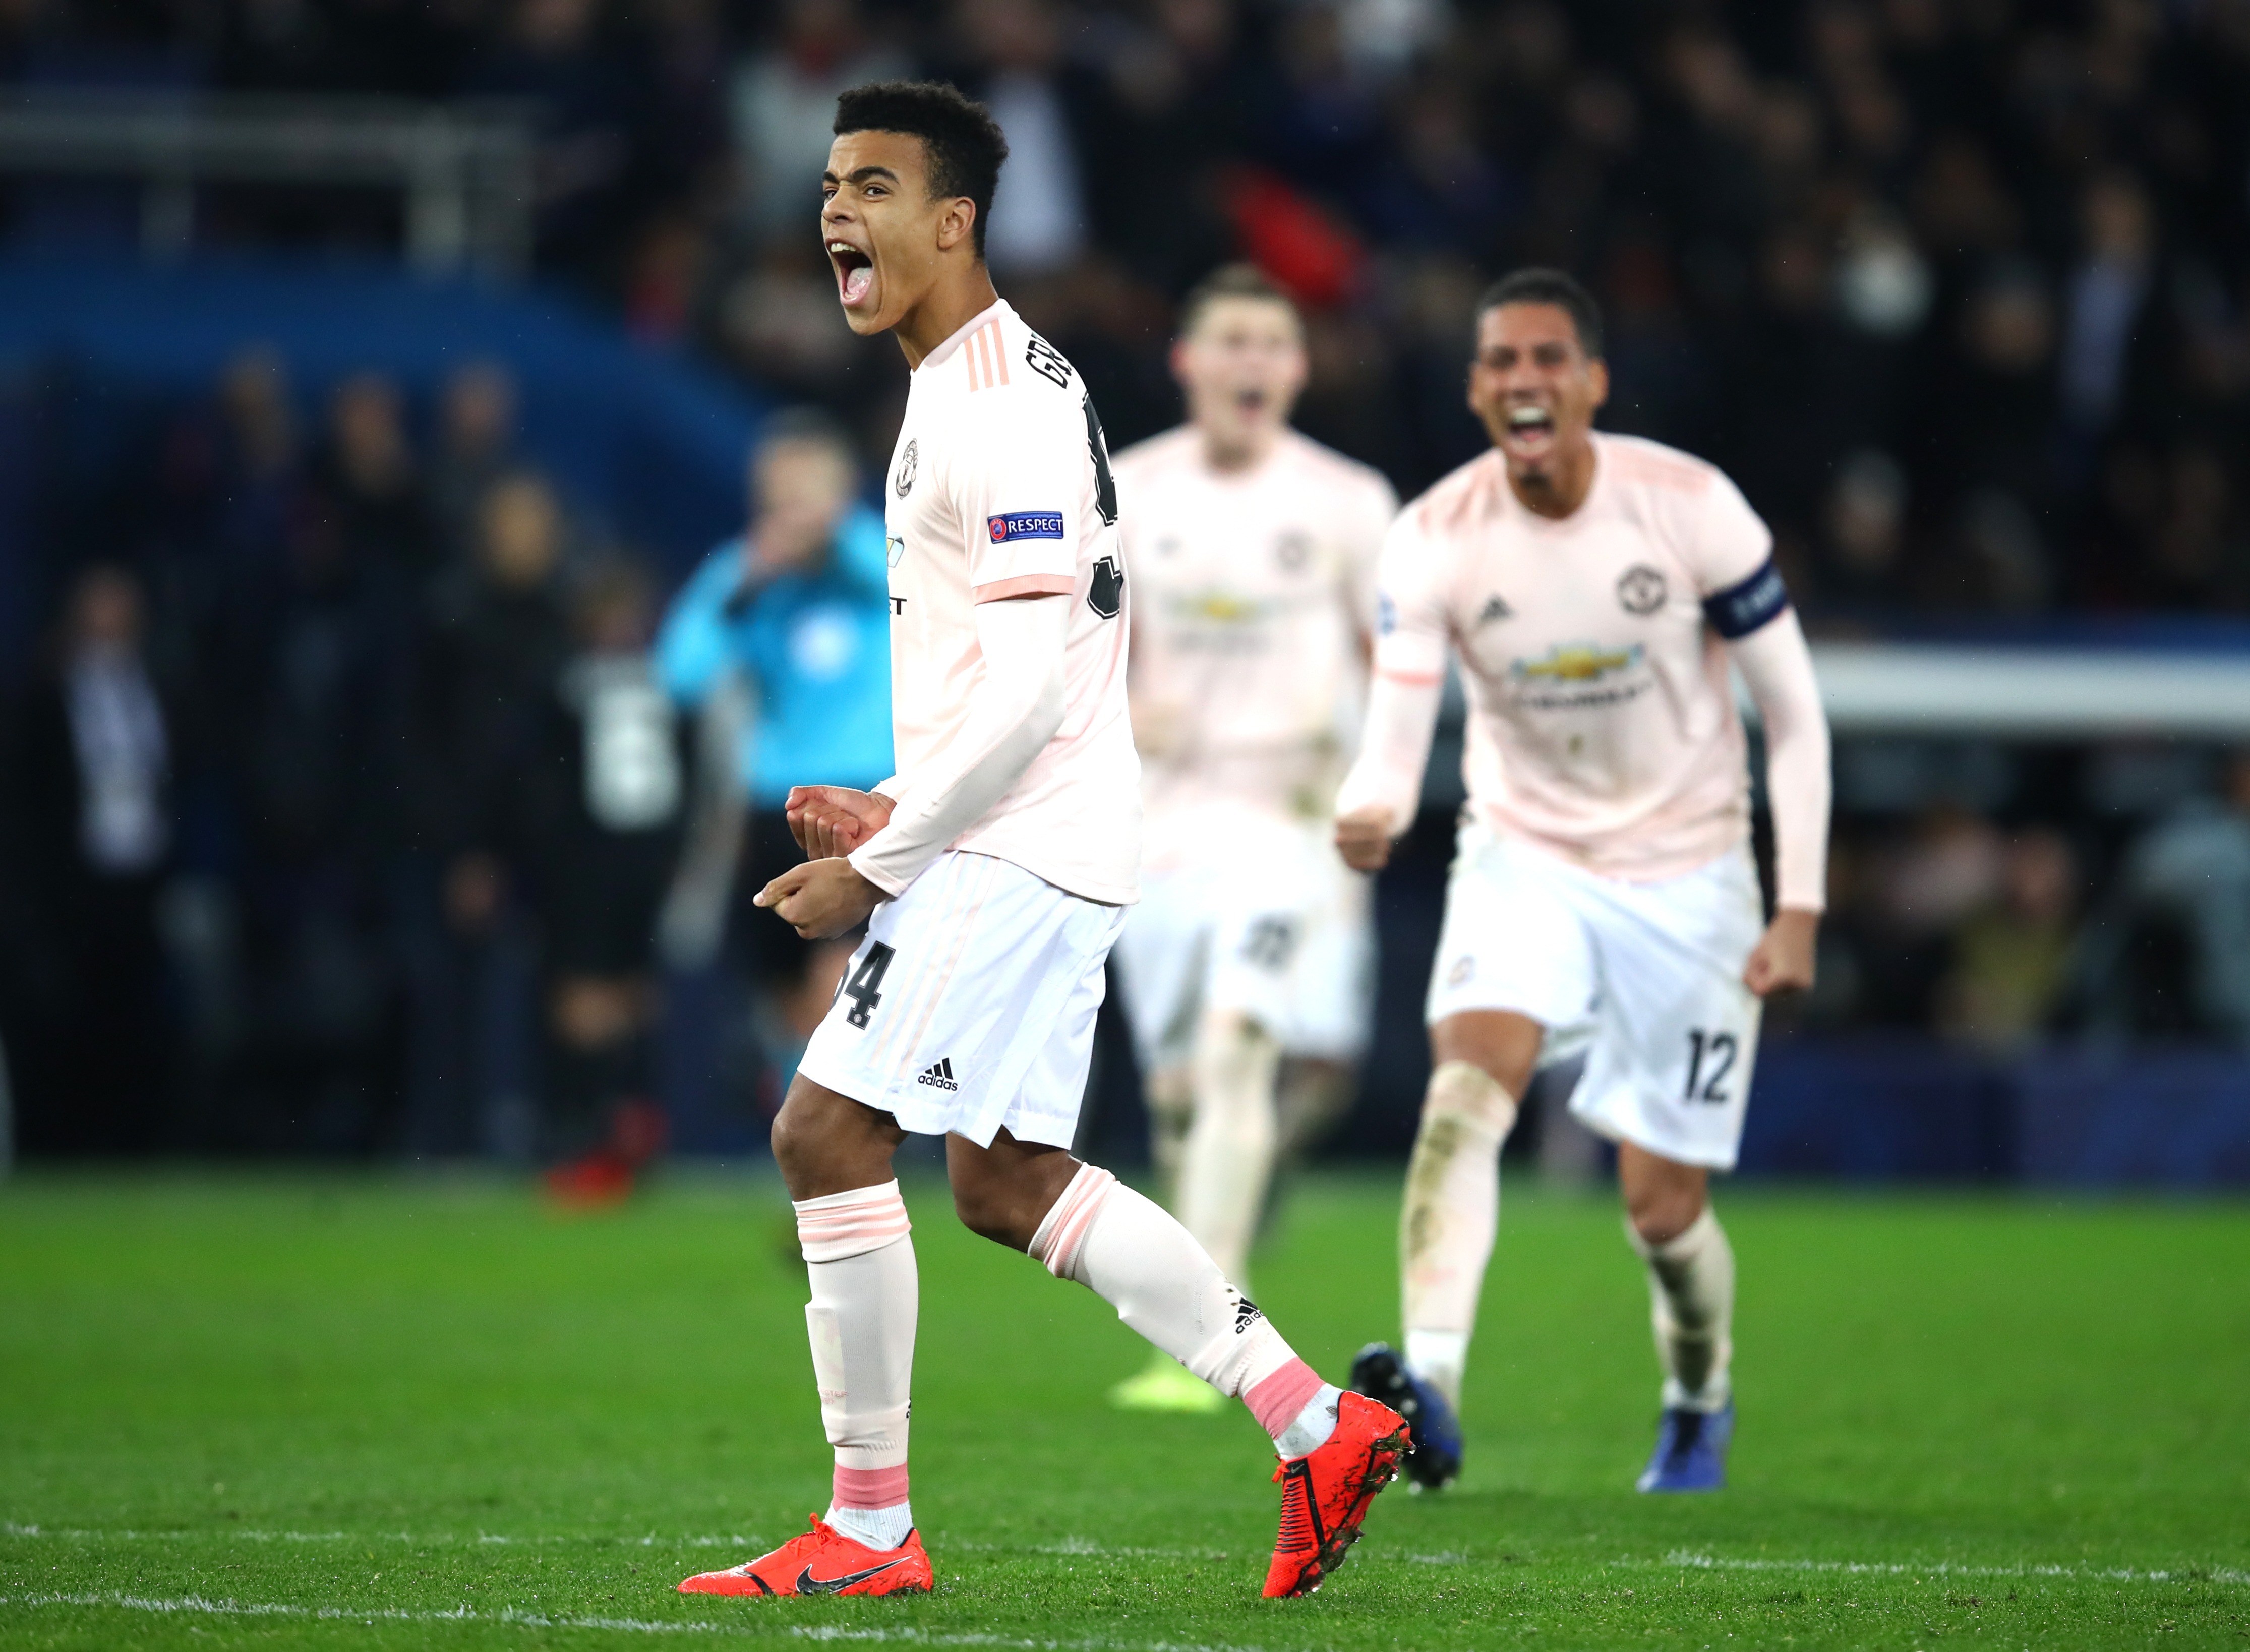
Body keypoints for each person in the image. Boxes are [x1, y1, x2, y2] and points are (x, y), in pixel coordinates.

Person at [675, 79, 1406, 1604]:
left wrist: (884, 858)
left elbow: (1024, 681)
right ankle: (1315, 1420)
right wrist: (900, 802)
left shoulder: (999, 404)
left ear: (954, 222)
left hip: (1016, 846)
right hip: (1029, 831)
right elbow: (1031, 668)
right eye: (828, 186)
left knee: (820, 1134)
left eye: (871, 187)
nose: (834, 213)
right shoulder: (959, 386)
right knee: (1007, 1183)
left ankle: (870, 1525)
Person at [1333, 268, 1831, 1495]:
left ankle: (1696, 1392)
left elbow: (1797, 716)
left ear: (1593, 382)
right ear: (1473, 390)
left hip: (1691, 871)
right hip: (1526, 855)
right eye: (1500, 361)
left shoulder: (1690, 507)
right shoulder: (1433, 535)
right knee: (1464, 1092)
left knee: (1661, 1217)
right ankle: (1430, 1394)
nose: (1523, 381)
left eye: (1548, 358)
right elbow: (1396, 725)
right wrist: (1374, 805)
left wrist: (1799, 903)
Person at [1105, 263, 1397, 1414]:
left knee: (1247, 1054)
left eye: (1270, 344)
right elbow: (1075, 666)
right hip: (1159, 832)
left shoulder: (1347, 501)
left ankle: (1205, 1345)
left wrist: (1372, 784)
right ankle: (1233, 1224)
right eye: (1227, 341)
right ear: (1187, 361)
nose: (1249, 363)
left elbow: (1400, 667)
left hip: (1289, 829)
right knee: (1183, 1095)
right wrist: (1128, 719)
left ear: (1298, 367)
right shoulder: (1125, 490)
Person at [655, 410, 894, 1095]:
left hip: (867, 797)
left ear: (840, 491)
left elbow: (923, 597)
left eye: (805, 493)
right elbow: (679, 674)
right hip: (777, 803)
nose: (790, 511)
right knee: (786, 990)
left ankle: (845, 1122)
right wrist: (747, 582)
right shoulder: (748, 576)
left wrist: (832, 543)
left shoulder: (878, 558)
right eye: (777, 494)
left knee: (842, 972)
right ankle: (813, 1128)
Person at [517, 559, 687, 1203]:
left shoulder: (567, 681)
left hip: (598, 860)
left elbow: (541, 778)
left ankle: (599, 1137)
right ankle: (623, 1129)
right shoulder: (666, 680)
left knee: (595, 1001)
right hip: (631, 859)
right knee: (621, 997)